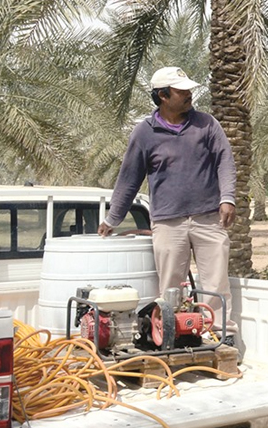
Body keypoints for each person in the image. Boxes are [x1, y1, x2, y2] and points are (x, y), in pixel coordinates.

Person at [100, 67, 238, 344]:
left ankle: (222, 338)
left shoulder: (206, 124)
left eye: (188, 90)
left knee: (216, 284)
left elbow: (225, 161)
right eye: (181, 91)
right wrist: (112, 219)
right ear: (163, 96)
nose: (189, 95)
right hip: (167, 222)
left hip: (208, 218)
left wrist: (227, 198)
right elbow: (129, 179)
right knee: (170, 288)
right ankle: (173, 339)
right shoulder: (144, 133)